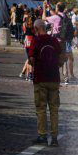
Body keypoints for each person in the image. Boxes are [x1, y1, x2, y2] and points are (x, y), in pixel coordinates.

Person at [27, 15, 63, 146]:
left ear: (36, 28)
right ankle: (54, 138)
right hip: (54, 78)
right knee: (54, 109)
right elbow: (61, 57)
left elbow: (31, 60)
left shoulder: (36, 41)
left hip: (40, 78)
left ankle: (42, 135)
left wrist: (35, 62)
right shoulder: (54, 40)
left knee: (41, 108)